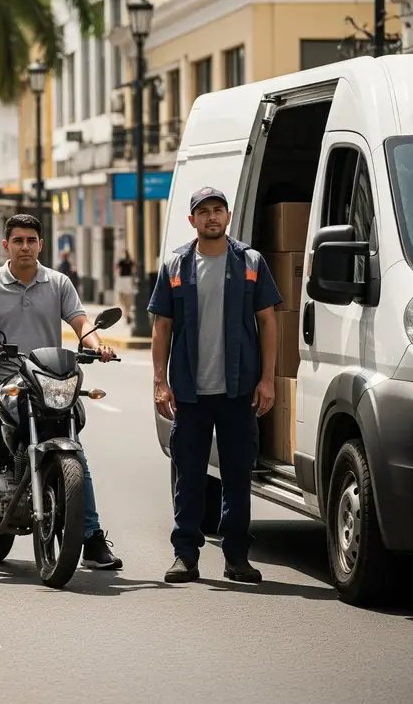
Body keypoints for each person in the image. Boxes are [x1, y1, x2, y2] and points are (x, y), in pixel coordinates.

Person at [0, 213, 122, 573]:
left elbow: (81, 322)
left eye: (31, 240)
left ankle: (93, 540)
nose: (25, 247)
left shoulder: (58, 283)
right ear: (6, 245)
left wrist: (97, 345)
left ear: (41, 245)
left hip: (47, 382)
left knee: (77, 457)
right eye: (17, 240)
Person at [148, 187, 280, 585]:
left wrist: (268, 379)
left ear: (227, 215)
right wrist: (160, 382)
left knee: (238, 476)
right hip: (190, 392)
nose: (211, 217)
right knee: (189, 476)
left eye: (217, 210)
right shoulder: (176, 265)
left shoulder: (251, 262)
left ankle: (236, 557)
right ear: (192, 220)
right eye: (203, 212)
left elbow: (268, 322)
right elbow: (162, 326)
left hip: (239, 391)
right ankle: (185, 556)